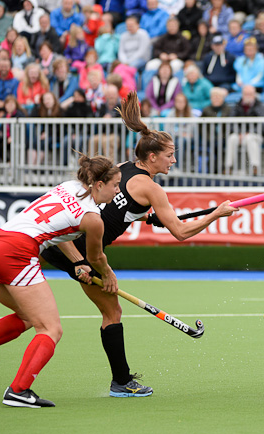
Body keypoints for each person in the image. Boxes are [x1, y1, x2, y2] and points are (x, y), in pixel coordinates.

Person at [39, 92, 238, 398]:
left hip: (62, 243)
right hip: (77, 250)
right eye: (170, 154)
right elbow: (182, 233)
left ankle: (121, 380)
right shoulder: (152, 188)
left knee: (104, 312)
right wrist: (216, 214)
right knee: (112, 313)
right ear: (152, 157)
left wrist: (144, 217)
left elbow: (118, 206)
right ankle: (121, 383)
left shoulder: (122, 168)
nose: (174, 160)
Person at [0, 154, 121, 407]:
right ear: (99, 185)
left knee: (26, 317)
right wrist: (108, 275)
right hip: (16, 253)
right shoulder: (93, 218)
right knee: (51, 328)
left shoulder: (68, 188)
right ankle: (19, 391)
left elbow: (59, 230)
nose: (118, 191)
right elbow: (97, 257)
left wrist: (77, 263)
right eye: (115, 185)